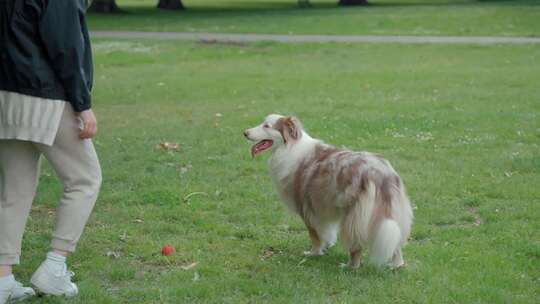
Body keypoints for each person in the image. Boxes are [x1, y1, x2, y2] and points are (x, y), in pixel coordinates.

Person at [0, 0, 101, 302]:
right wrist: (83, 104)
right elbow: (66, 48)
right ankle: (55, 265)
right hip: (44, 95)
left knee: (14, 190)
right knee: (85, 179)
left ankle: (2, 280)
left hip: (6, 95)